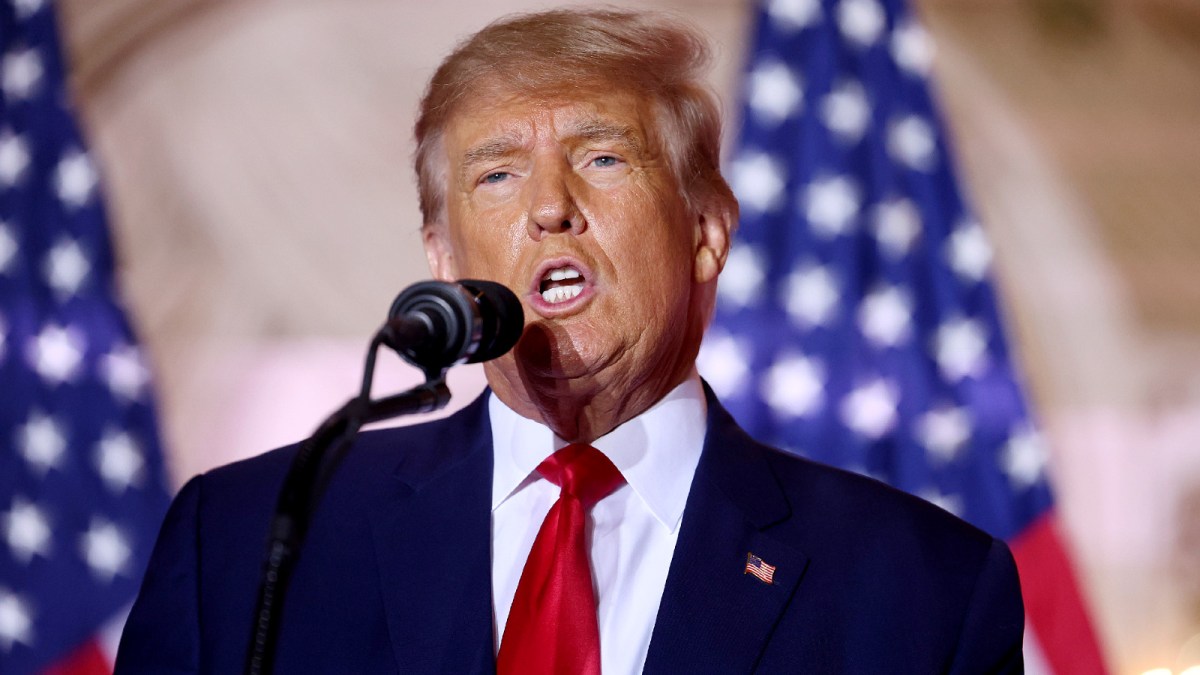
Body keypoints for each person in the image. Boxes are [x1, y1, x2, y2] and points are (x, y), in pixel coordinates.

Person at [115, 8, 1024, 674]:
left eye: (601, 158)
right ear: (444, 259)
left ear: (706, 230)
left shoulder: (919, 588)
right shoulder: (249, 542)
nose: (550, 206)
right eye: (499, 173)